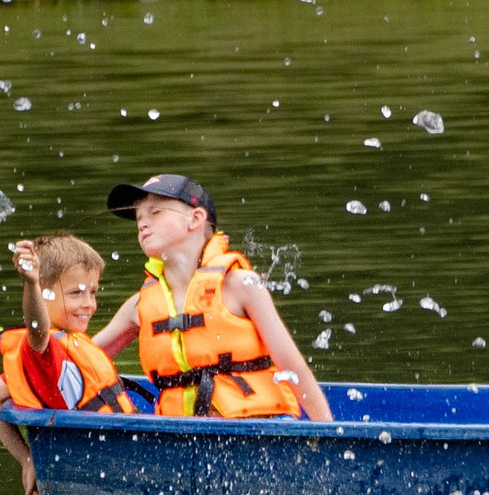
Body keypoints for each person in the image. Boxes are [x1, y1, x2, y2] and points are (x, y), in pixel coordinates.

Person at [88, 173, 334, 421]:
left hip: (256, 429)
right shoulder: (138, 306)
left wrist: (327, 435)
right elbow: (83, 361)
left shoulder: (240, 285)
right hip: (179, 435)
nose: (142, 224)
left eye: (155, 212)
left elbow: (292, 366)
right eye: (139, 218)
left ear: (195, 219)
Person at [0, 232, 137, 495]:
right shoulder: (44, 353)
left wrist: (30, 461)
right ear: (43, 294)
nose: (89, 303)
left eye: (93, 292)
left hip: (113, 466)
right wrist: (31, 284)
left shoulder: (71, 343)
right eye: (76, 293)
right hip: (102, 475)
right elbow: (37, 329)